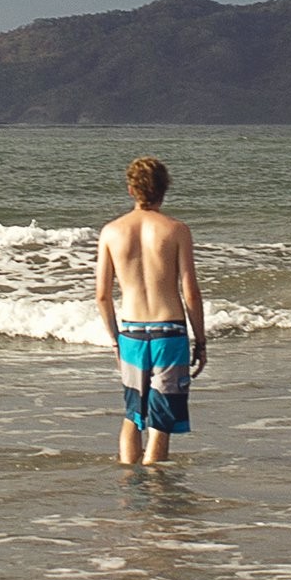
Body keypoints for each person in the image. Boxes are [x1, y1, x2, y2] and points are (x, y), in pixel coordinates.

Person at [92, 154, 206, 466]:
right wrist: (201, 340)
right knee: (161, 422)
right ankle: (157, 499)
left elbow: (102, 295)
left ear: (131, 189)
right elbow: (191, 293)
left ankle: (131, 487)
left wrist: (116, 341)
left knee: (133, 415)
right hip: (169, 332)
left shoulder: (111, 232)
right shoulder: (176, 230)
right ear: (165, 189)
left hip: (131, 332)